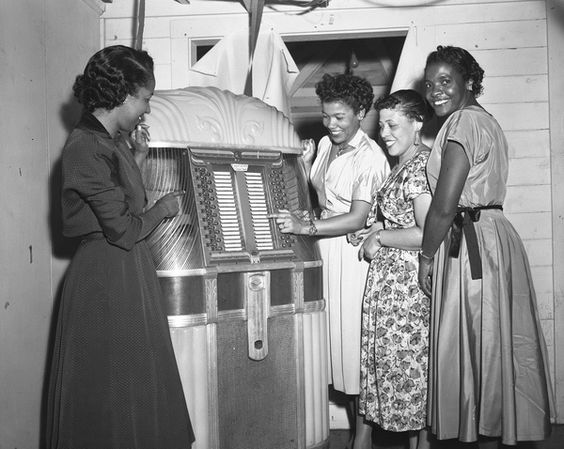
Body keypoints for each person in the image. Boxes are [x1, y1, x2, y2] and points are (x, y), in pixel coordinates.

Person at [45, 45, 195, 449]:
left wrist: (139, 158)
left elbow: (122, 204)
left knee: (129, 386)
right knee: (115, 391)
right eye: (145, 99)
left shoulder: (108, 141)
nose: (146, 109)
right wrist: (164, 209)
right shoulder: (85, 147)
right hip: (107, 277)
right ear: (123, 94)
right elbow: (125, 229)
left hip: (125, 271)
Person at [418, 45, 553, 447]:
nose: (435, 91)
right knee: (492, 346)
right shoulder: (487, 121)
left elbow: (443, 207)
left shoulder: (461, 123)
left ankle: (479, 431)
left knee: (473, 345)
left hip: (470, 242)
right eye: (429, 85)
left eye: (446, 81)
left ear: (469, 82)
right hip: (493, 236)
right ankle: (494, 431)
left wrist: (426, 257)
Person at [271, 73, 390, 448]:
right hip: (325, 251)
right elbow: (320, 200)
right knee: (330, 344)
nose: (331, 124)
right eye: (326, 116)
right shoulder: (324, 144)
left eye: (340, 117)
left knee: (354, 348)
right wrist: (306, 165)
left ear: (360, 112)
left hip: (353, 259)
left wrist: (305, 229)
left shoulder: (371, 157)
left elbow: (356, 218)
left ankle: (364, 437)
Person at [348, 90, 432, 449]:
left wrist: (381, 238)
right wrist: (374, 228)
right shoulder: (404, 164)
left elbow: (427, 234)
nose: (384, 132)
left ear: (417, 123)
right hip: (392, 287)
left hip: (408, 290)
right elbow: (400, 220)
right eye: (381, 125)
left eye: (393, 124)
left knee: (413, 378)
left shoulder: (421, 167)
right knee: (403, 375)